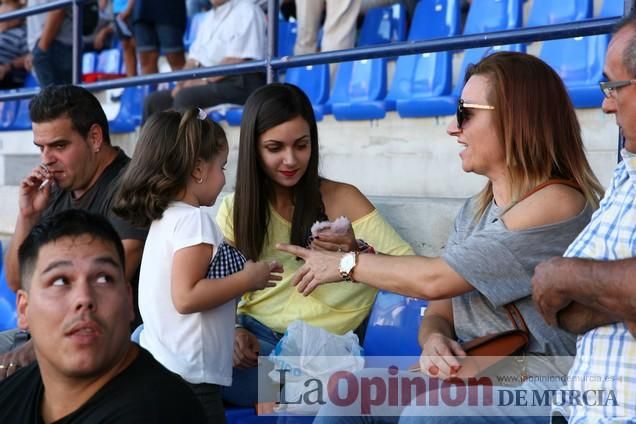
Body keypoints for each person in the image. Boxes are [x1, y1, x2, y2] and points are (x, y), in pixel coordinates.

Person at [278, 52, 605, 420]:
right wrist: (434, 339)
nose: (453, 127)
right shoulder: (475, 208)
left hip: (546, 378)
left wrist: (346, 263)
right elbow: (439, 308)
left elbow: (436, 280)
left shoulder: (556, 203)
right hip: (477, 368)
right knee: (348, 395)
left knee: (430, 413)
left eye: (466, 112)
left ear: (515, 118)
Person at [216, 82, 414, 406]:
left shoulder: (342, 199)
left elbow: (409, 269)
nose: (290, 160)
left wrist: (355, 253)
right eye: (275, 147)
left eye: (301, 145)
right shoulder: (235, 209)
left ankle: (276, 397)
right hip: (256, 350)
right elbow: (220, 288)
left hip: (320, 357)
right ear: (253, 149)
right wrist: (234, 329)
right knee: (149, 344)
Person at [112, 108, 283, 423]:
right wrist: (249, 279)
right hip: (190, 376)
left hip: (166, 366)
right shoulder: (194, 222)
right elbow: (187, 296)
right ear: (198, 170)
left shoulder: (166, 217)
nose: (224, 177)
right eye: (222, 167)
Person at [0, 210, 206, 423]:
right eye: (60, 281)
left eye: (104, 279)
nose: (84, 298)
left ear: (128, 300)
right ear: (24, 309)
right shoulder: (13, 394)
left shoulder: (158, 412)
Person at [531, 15, 636, 423]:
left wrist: (566, 275)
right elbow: (565, 313)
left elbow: (560, 288)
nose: (605, 102)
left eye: (613, 86)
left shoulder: (555, 199)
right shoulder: (627, 171)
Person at [0, 85, 147, 376]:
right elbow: (18, 281)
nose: (46, 159)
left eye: (59, 146)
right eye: (41, 148)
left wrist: (42, 344)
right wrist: (28, 215)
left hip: (94, 344)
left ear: (94, 138)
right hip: (50, 332)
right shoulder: (56, 188)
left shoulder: (130, 186)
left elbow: (107, 280)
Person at [142, 0, 266, 122]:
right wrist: (181, 83)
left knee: (185, 96)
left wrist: (203, 81)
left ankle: (183, 143)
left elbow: (236, 60)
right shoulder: (209, 17)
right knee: (153, 101)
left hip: (240, 81)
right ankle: (151, 143)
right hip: (214, 81)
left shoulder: (247, 9)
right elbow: (193, 59)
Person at [26, 0, 74, 86]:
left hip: (55, 47)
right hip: (49, 46)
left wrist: (41, 48)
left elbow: (58, 8)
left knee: (57, 98)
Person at [132, 0, 186, 75]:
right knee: (146, 60)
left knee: (175, 58)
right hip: (141, 8)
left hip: (168, 8)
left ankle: (183, 85)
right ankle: (150, 86)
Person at [0, 1, 29, 89]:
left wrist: (8, 66)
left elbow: (30, 57)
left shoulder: (22, 33)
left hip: (8, 76)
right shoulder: (2, 33)